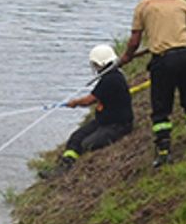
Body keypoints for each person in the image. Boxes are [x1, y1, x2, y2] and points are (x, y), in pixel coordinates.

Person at [117, 0, 186, 168]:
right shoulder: (178, 0)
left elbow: (134, 41)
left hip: (163, 59)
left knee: (161, 108)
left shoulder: (144, 6)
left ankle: (163, 151)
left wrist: (126, 57)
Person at [44, 44, 134, 176]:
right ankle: (65, 165)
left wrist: (74, 103)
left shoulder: (111, 79)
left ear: (100, 63)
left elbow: (89, 100)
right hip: (103, 121)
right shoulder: (108, 76)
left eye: (95, 64)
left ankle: (72, 168)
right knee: (76, 138)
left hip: (118, 125)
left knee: (87, 144)